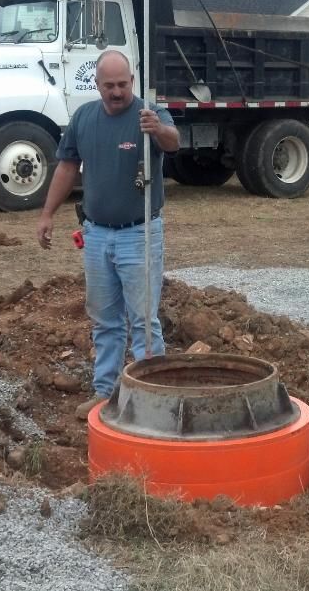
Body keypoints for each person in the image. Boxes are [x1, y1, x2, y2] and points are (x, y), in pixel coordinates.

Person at [36, 50, 180, 402]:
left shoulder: (149, 113)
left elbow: (173, 143)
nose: (117, 92)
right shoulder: (84, 118)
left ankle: (153, 398)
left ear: (132, 81)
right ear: (97, 85)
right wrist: (47, 213)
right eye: (109, 86)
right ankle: (105, 393)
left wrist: (158, 129)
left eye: (123, 84)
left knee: (144, 322)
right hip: (97, 234)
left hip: (139, 233)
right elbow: (67, 167)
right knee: (105, 320)